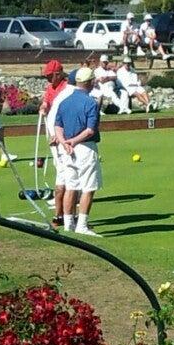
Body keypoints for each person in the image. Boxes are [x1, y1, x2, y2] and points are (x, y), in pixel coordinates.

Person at [55, 67, 102, 236]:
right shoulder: (91, 102)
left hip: (66, 149)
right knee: (88, 187)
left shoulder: (64, 101)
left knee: (71, 186)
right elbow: (90, 130)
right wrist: (73, 141)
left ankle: (68, 225)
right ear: (89, 82)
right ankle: (82, 225)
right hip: (85, 147)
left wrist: (64, 142)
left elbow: (57, 126)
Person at [40, 60, 75, 228]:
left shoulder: (67, 90)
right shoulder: (51, 88)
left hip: (63, 136)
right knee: (63, 172)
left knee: (67, 175)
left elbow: (67, 114)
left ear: (58, 74)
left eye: (49, 76)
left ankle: (63, 216)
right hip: (54, 135)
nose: (47, 79)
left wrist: (59, 135)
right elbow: (47, 101)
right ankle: (63, 216)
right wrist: (44, 106)